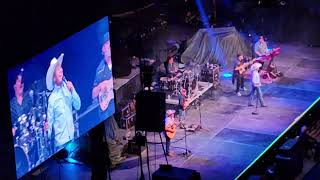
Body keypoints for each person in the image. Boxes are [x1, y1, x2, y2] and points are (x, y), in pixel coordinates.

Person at [46, 53, 81, 152]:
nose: (61, 70)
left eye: (61, 68)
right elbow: (50, 123)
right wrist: (47, 131)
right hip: (61, 145)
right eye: (57, 70)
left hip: (73, 138)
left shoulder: (68, 88)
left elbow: (78, 106)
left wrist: (72, 90)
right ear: (53, 78)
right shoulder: (52, 99)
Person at [10, 73, 32, 138]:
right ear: (14, 86)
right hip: (19, 140)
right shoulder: (11, 105)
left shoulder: (29, 97)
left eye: (22, 82)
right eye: (19, 81)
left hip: (32, 135)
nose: (22, 84)